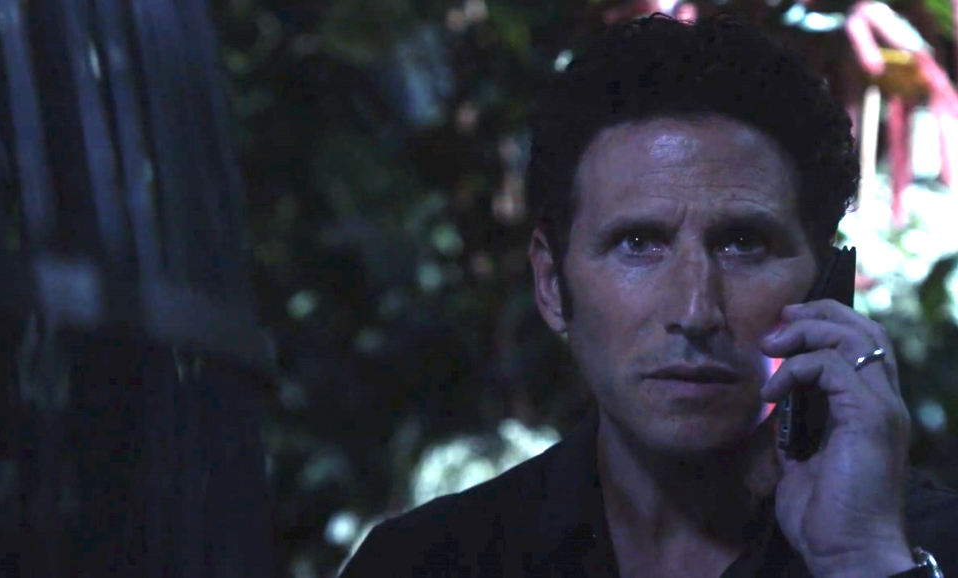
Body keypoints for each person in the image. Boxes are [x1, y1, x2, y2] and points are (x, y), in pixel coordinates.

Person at [340, 13, 958, 578]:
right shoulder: (428, 563)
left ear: (827, 285)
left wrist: (863, 562)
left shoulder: (923, 549)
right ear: (552, 285)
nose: (695, 311)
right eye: (637, 243)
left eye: (743, 244)